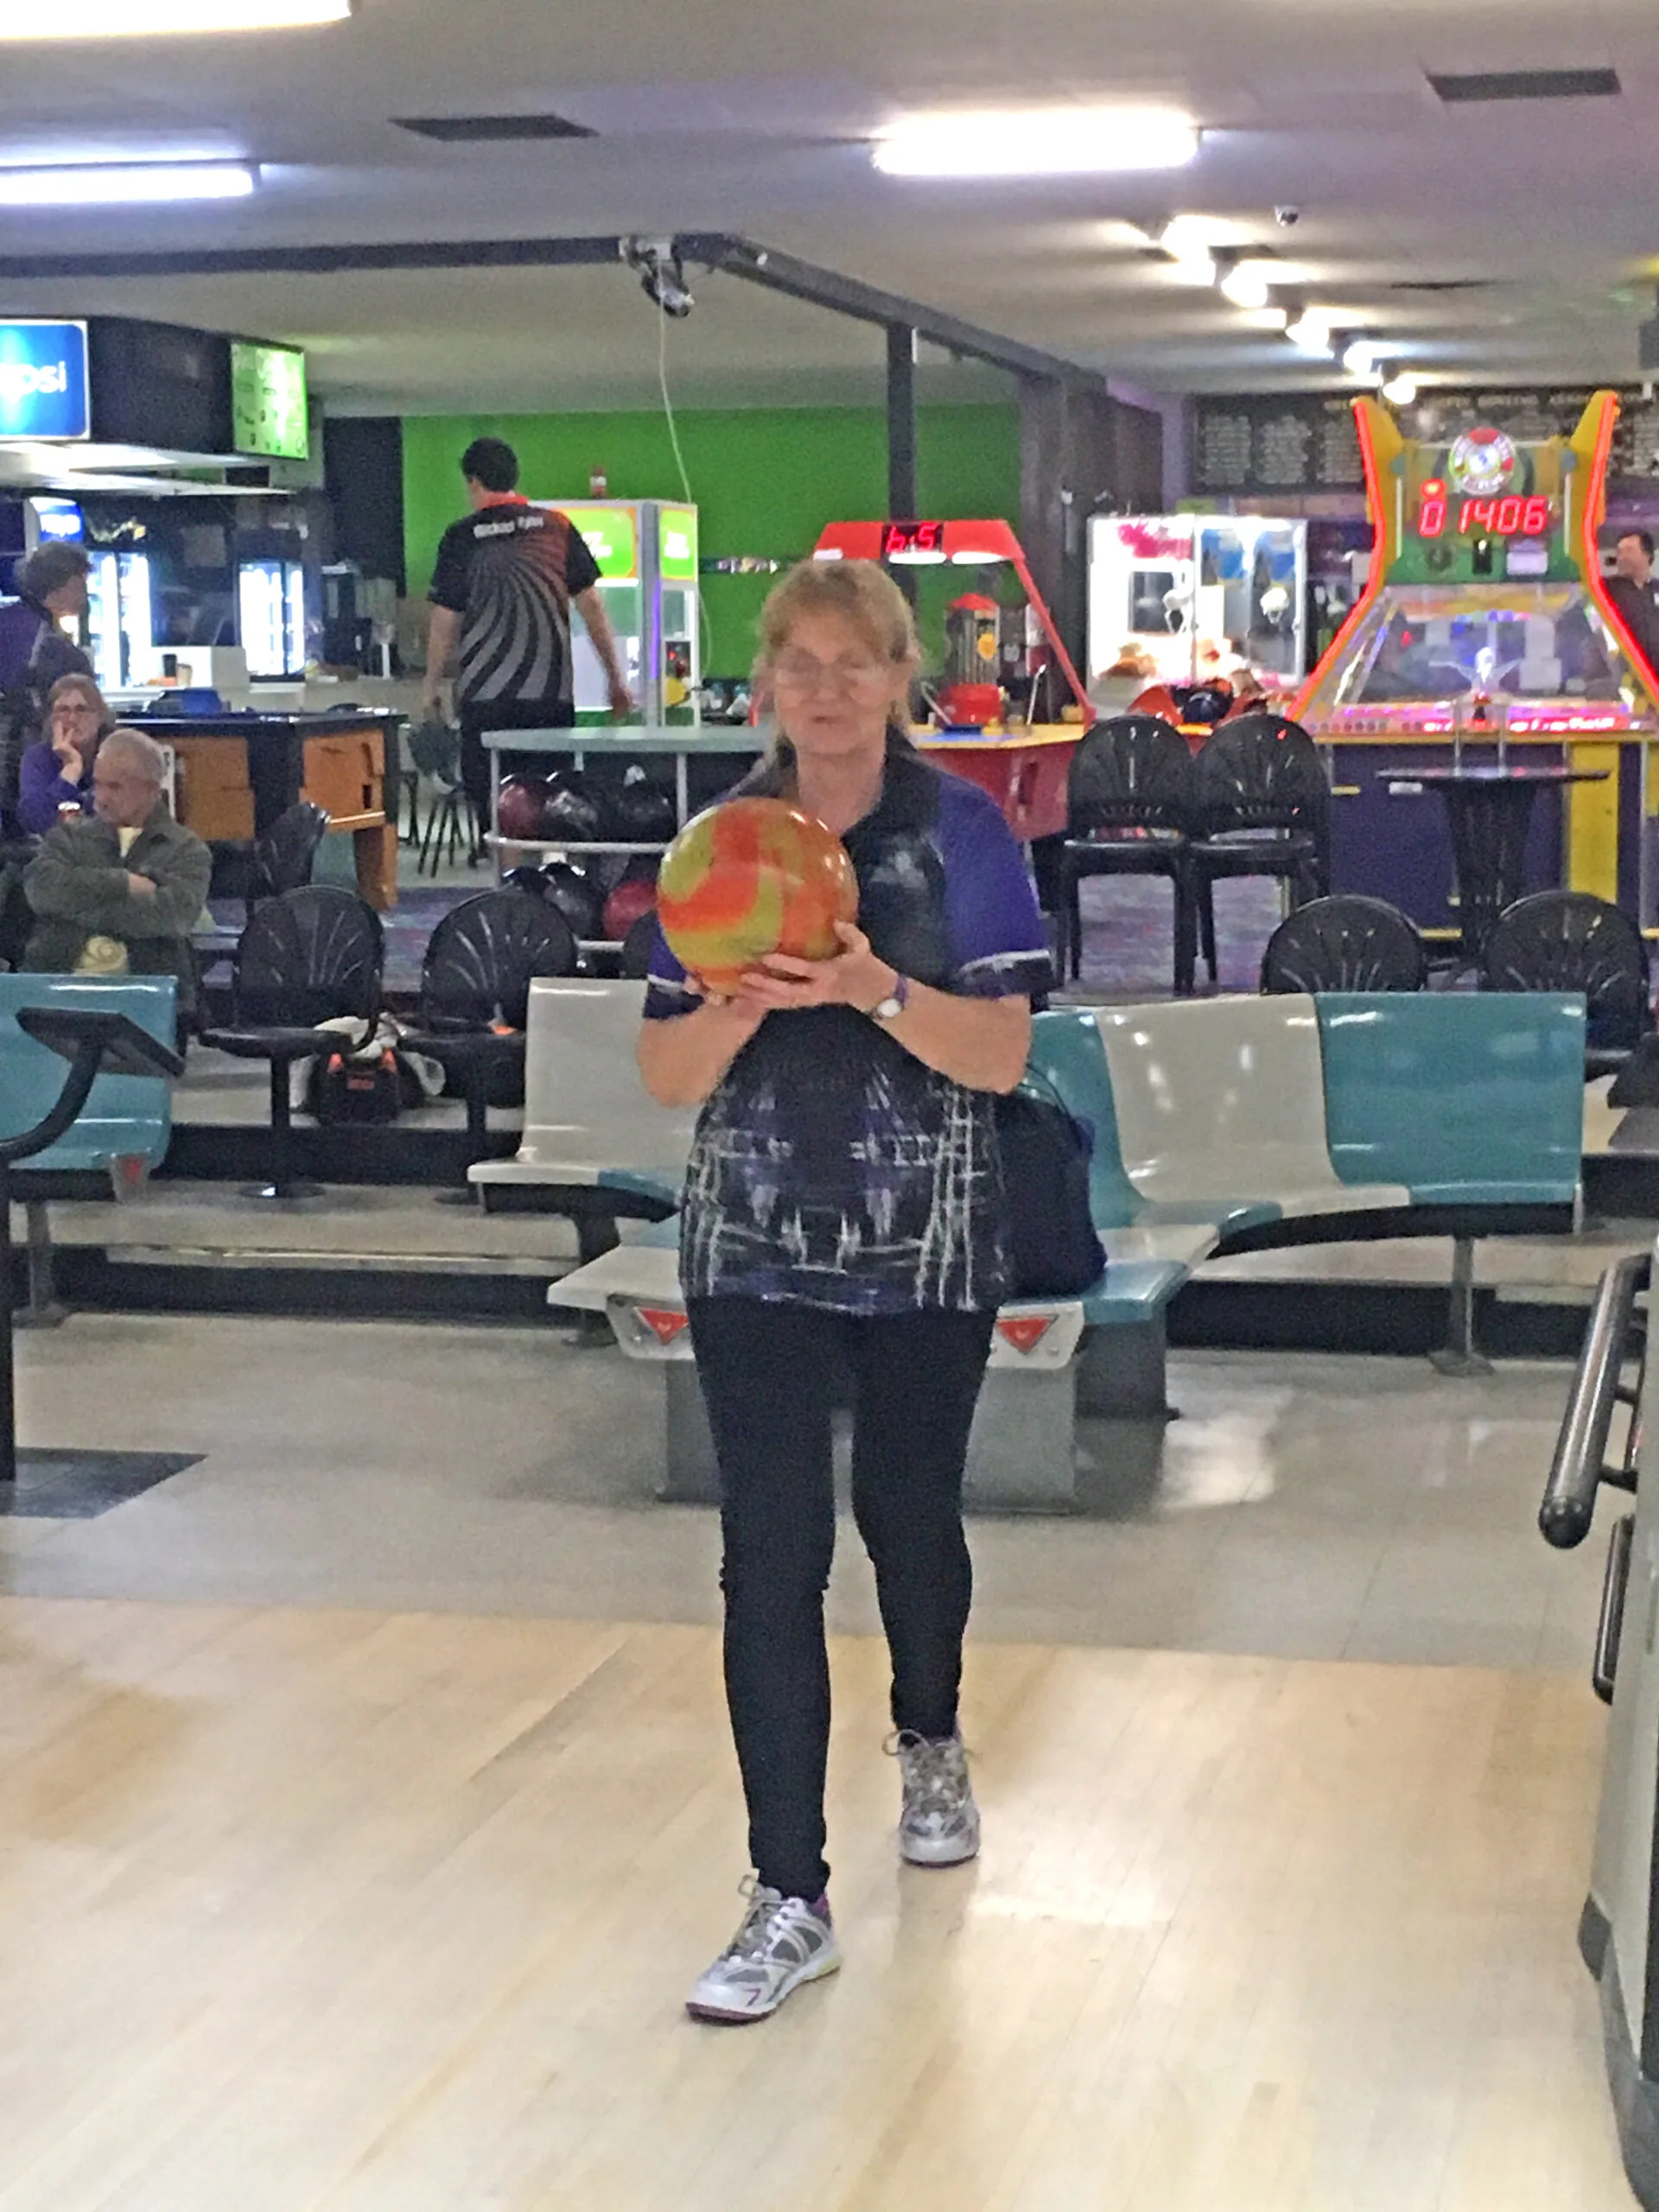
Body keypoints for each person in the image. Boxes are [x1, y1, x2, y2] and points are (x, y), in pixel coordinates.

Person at [637, 559, 1050, 2027]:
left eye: (852, 662)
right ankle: (788, 1897)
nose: (824, 689)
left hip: (927, 1239)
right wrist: (738, 1001)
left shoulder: (963, 834)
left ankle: (929, 1735)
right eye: (798, 664)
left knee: (907, 1516)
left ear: (896, 678)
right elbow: (666, 1073)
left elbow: (1001, 1057)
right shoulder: (720, 845)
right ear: (766, 685)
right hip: (751, 1240)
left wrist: (871, 985)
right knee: (769, 1554)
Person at [420, 436, 634, 822]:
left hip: (486, 702)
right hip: (549, 699)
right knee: (550, 806)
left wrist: (431, 685)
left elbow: (444, 623)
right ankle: (544, 861)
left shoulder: (460, 538)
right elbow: (592, 606)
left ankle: (506, 862)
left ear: (473, 482)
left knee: (496, 809)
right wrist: (615, 679)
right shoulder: (556, 528)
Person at [22, 727, 212, 1026]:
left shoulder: (186, 849)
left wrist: (78, 905)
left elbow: (173, 917)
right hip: (57, 987)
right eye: (98, 784)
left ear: (151, 789)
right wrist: (124, 884)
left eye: (115, 787)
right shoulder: (69, 837)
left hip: (146, 995)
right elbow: (41, 891)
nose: (102, 797)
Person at [0, 543, 94, 818]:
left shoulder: (8, 621)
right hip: (27, 765)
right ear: (63, 587)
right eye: (81, 585)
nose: (84, 595)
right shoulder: (56, 649)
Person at [16, 671, 115, 835]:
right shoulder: (37, 758)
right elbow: (37, 822)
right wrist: (70, 773)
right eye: (63, 710)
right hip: (54, 848)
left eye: (82, 709)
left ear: (100, 716)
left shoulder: (117, 755)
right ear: (52, 718)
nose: (72, 719)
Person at [1605, 531, 1659, 683]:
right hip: (1623, 681)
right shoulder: (1606, 590)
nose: (1622, 557)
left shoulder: (1656, 588)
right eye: (1619, 552)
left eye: (1629, 551)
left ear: (1647, 555)